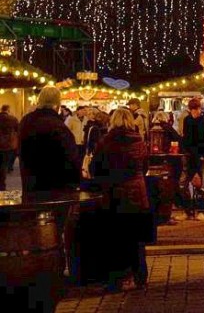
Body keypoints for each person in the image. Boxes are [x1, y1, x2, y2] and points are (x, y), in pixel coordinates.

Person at [90, 107, 151, 290]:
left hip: (114, 194)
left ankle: (117, 278)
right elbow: (145, 166)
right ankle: (140, 275)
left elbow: (95, 169)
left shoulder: (105, 142)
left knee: (115, 238)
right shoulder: (139, 142)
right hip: (137, 194)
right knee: (136, 238)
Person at [19, 85, 81, 192]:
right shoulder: (58, 125)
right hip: (55, 185)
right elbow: (70, 157)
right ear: (57, 104)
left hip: (30, 180)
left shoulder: (26, 121)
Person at [177, 98, 204, 220]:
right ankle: (187, 210)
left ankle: (201, 210)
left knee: (202, 184)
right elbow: (186, 138)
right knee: (183, 183)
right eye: (193, 110)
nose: (195, 112)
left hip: (203, 155)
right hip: (190, 155)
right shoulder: (187, 120)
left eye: (197, 109)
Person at [0, 104, 20, 190]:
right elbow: (18, 129)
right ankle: (2, 185)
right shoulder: (13, 119)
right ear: (8, 110)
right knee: (3, 165)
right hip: (7, 145)